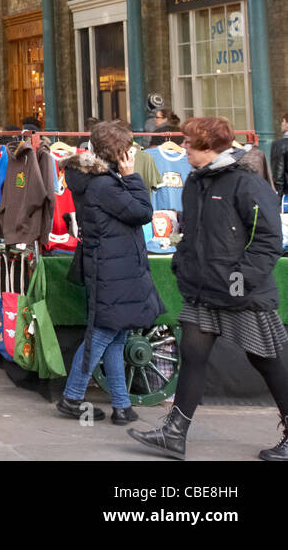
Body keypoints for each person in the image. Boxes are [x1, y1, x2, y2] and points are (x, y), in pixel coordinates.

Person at [130, 116, 288, 461]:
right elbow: (192, 234)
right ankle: (174, 433)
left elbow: (268, 240)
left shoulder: (247, 184)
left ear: (208, 145)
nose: (183, 147)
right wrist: (182, 265)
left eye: (189, 142)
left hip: (242, 294)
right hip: (202, 292)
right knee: (193, 356)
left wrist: (239, 281)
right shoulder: (196, 182)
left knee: (268, 362)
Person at [55, 121, 163, 425]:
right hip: (115, 268)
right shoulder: (105, 184)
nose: (133, 154)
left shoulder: (94, 180)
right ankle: (72, 397)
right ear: (119, 153)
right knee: (104, 333)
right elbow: (143, 213)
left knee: (116, 333)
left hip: (112, 265)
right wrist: (132, 177)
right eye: (129, 149)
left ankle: (122, 404)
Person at [269, 113, 288, 197]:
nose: (282, 123)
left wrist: (278, 197)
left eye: (283, 121)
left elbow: (278, 175)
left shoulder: (279, 145)